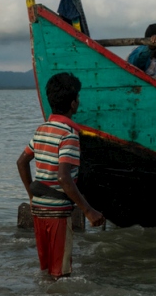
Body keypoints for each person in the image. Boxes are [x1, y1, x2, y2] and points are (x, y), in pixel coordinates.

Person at [17, 73, 105, 278]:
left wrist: (32, 198)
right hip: (57, 213)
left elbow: (21, 162)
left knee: (46, 270)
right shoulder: (69, 135)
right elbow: (64, 178)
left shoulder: (42, 130)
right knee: (61, 274)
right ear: (73, 103)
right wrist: (89, 211)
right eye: (78, 98)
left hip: (39, 210)